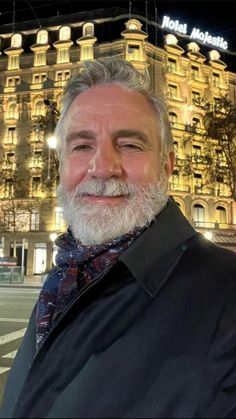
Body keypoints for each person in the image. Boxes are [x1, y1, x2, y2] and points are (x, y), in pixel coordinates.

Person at [1, 58, 236, 419]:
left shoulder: (227, 295)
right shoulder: (66, 276)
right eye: (81, 146)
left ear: (167, 165)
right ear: (61, 164)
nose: (102, 167)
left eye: (129, 144)